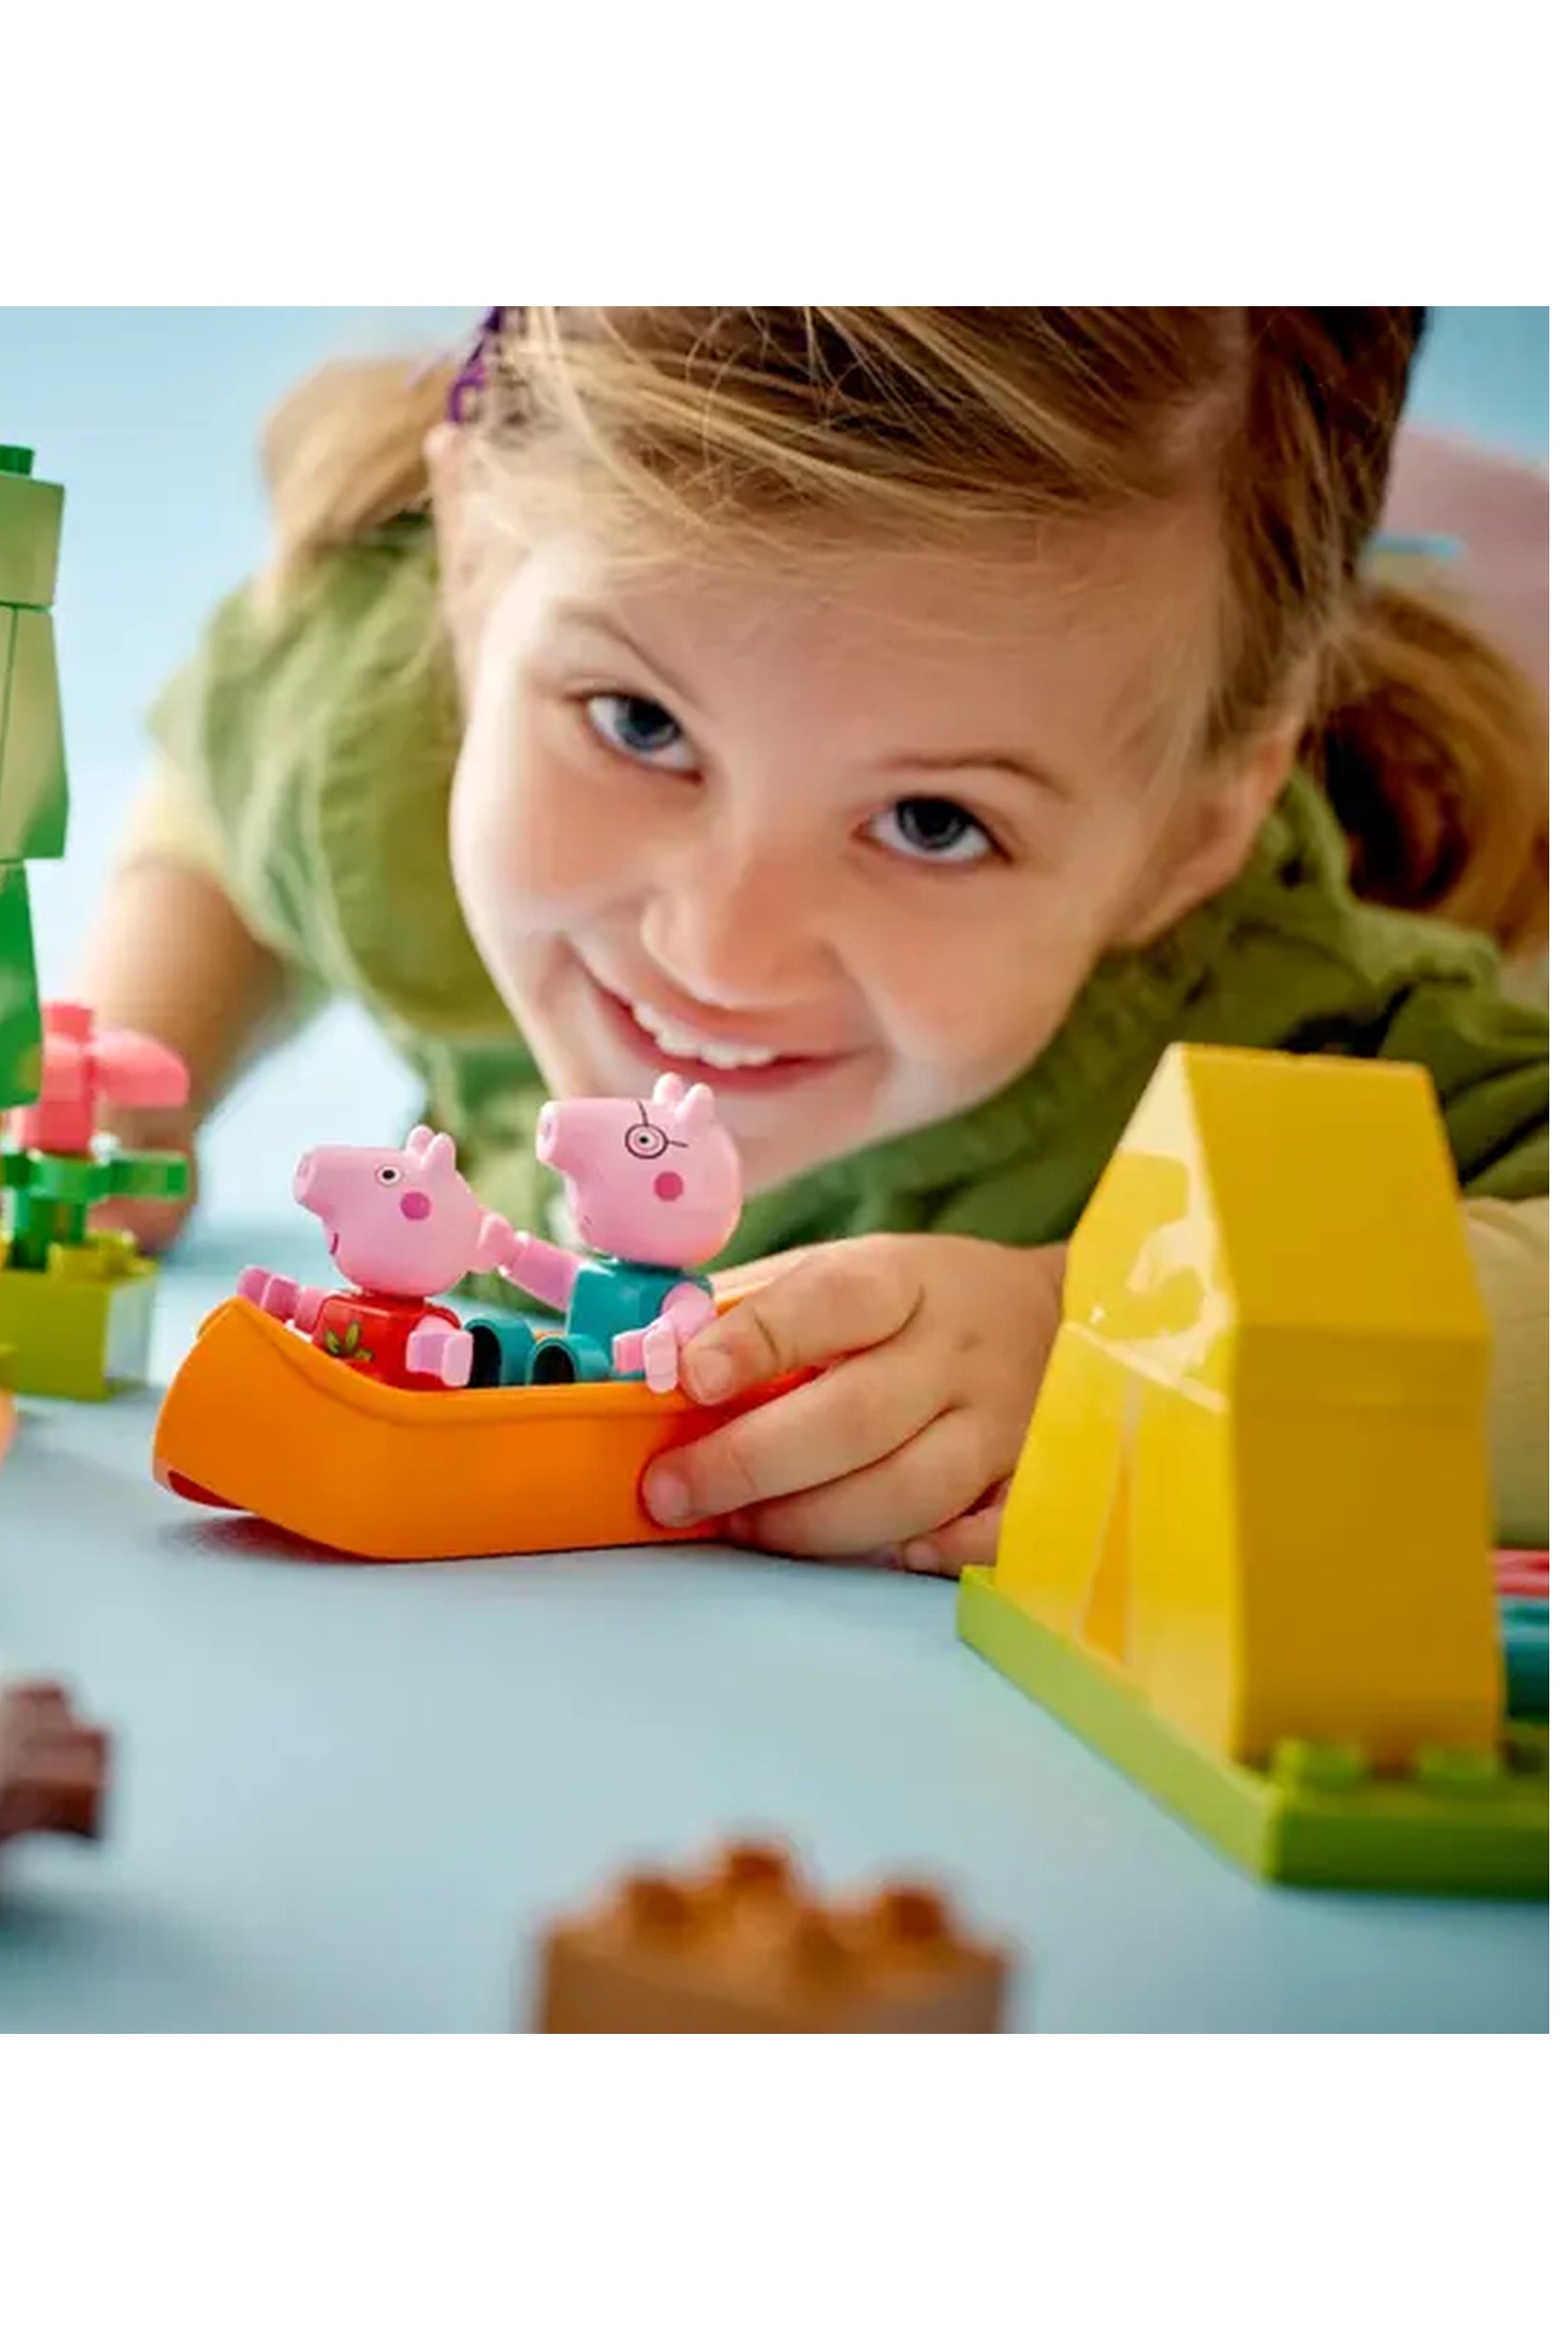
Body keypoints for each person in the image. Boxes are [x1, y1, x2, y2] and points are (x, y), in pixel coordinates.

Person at [79, 308, 1548, 1569]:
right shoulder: (386, 721)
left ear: (1197, 835)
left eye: (933, 822)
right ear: (468, 574)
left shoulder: (1307, 1043)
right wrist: (138, 1065)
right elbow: (239, 791)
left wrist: (1104, 1329)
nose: (722, 957)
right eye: (641, 725)